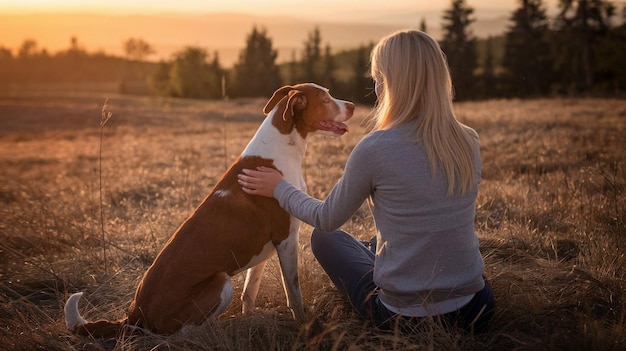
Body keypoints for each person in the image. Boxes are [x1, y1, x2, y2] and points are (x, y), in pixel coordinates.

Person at [237, 29, 494, 333]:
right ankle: (378, 251)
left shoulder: (375, 148)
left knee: (324, 238)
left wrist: (279, 188)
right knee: (399, 240)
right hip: (477, 309)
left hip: (401, 318)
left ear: (387, 83)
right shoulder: (469, 140)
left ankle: (377, 256)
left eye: (377, 78)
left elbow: (326, 218)